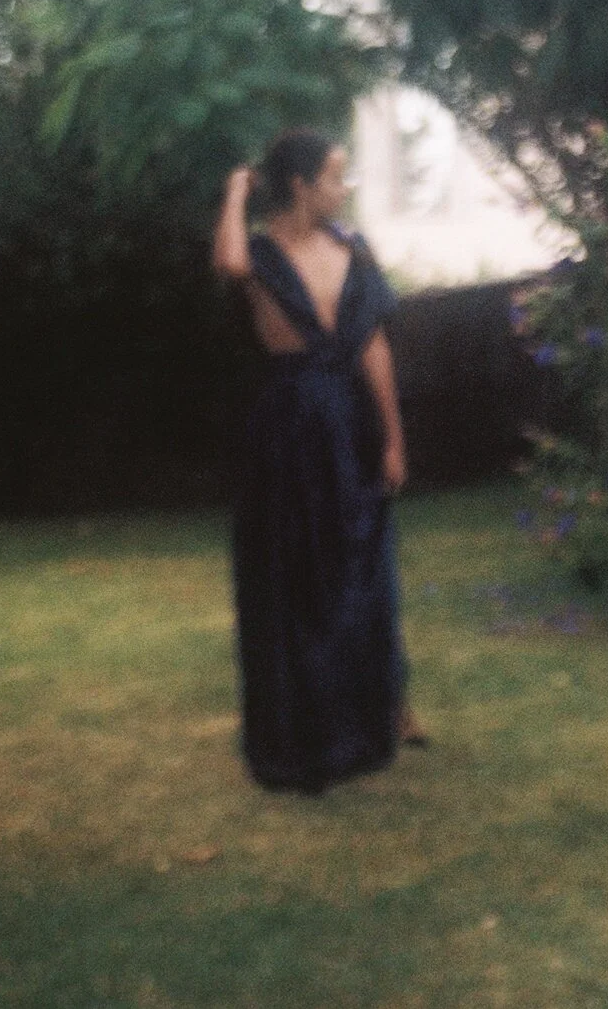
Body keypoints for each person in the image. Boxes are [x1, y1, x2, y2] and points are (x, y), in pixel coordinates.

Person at [211, 129, 426, 793]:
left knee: (361, 566)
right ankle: (303, 732)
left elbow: (374, 348)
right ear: (302, 185)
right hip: (286, 431)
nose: (345, 187)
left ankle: (377, 712)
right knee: (293, 576)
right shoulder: (262, 253)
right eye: (335, 176)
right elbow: (229, 264)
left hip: (350, 425)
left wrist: (392, 438)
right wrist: (236, 192)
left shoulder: (351, 249)